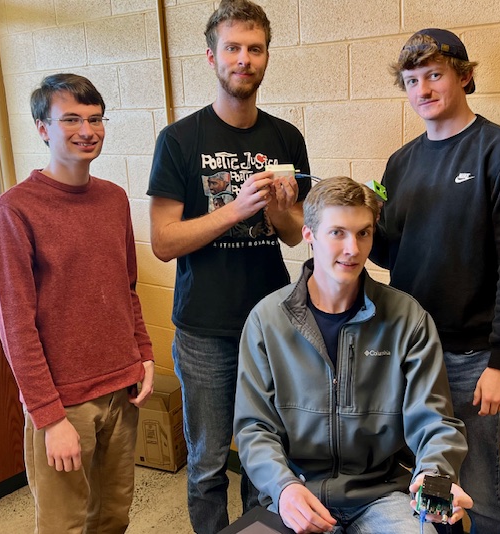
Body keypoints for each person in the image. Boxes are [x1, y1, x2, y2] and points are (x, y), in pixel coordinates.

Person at [370, 28, 500, 534]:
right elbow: (389, 252)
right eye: (410, 80)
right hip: (410, 350)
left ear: (464, 78)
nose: (422, 90)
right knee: (431, 480)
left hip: (473, 358)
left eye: (434, 75)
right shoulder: (401, 163)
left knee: (480, 481)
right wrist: (354, 230)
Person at [147, 0, 310, 531]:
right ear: (212, 56)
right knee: (209, 462)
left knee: (268, 457)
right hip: (204, 330)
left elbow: (293, 235)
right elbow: (164, 241)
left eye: (254, 48)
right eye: (233, 47)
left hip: (271, 324)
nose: (244, 58)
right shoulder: (178, 140)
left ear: (266, 57)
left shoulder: (286, 138)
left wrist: (284, 210)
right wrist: (236, 209)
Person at [234, 176, 473, 534]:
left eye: (363, 233)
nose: (353, 248)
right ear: (309, 235)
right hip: (298, 493)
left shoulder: (407, 318)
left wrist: (434, 480)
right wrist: (284, 489)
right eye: (338, 233)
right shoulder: (267, 320)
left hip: (381, 494)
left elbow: (434, 420)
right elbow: (255, 428)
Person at [0, 73, 155, 533]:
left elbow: (127, 288)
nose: (88, 130)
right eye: (72, 119)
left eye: (96, 119)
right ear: (43, 127)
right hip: (64, 403)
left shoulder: (114, 199)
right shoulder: (13, 211)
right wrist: (49, 416)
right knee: (65, 523)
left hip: (122, 388)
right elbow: (15, 326)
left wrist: (143, 355)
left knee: (112, 517)